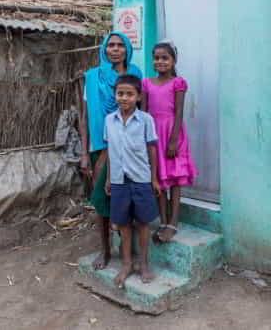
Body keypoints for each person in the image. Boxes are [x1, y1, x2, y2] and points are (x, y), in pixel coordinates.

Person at [79, 32, 142, 270]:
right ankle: (105, 251)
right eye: (110, 45)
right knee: (102, 201)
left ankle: (132, 252)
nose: (115, 49)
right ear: (104, 49)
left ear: (127, 49)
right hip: (100, 148)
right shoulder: (93, 77)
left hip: (129, 148)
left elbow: (141, 112)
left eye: (120, 45)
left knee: (130, 199)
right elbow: (84, 117)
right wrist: (85, 152)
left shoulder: (134, 74)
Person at [104, 74, 160, 288]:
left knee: (143, 224)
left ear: (138, 96)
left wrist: (154, 178)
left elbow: (152, 149)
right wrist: (109, 178)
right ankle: (127, 264)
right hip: (119, 180)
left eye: (129, 94)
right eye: (120, 93)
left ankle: (143, 264)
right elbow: (110, 150)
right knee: (124, 225)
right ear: (115, 95)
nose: (124, 98)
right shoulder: (109, 121)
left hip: (141, 178)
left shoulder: (146, 120)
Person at [142, 40, 197, 243]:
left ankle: (173, 223)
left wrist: (174, 140)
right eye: (157, 58)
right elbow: (145, 113)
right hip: (154, 136)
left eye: (165, 58)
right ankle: (163, 221)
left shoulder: (178, 83)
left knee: (174, 181)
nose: (160, 61)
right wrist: (145, 140)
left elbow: (179, 112)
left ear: (173, 61)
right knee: (158, 180)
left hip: (173, 136)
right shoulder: (146, 83)